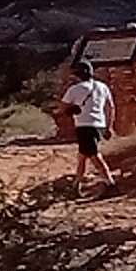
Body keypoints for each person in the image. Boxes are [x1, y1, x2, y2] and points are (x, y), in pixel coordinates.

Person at [59, 60, 116, 189]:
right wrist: (109, 126)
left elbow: (62, 108)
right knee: (82, 155)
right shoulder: (102, 87)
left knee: (94, 155)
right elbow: (110, 107)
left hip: (84, 125)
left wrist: (72, 108)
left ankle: (110, 182)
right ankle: (77, 184)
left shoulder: (74, 89)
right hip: (99, 125)